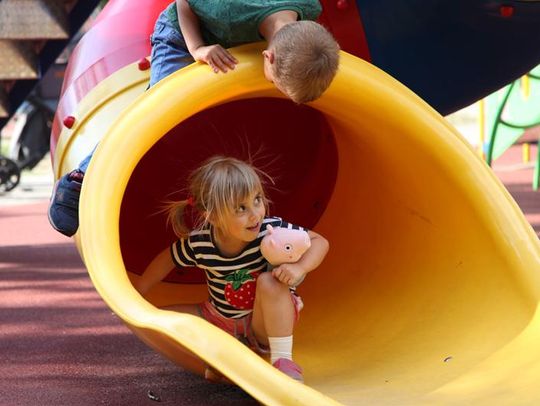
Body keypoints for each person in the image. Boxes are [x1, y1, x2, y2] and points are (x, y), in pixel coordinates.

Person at [48, 0, 340, 237]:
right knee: (155, 109)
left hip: (236, 39)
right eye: (278, 84)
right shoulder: (228, 9)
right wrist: (197, 48)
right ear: (269, 58)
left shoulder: (308, 8)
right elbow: (183, 4)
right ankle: (80, 178)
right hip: (183, 35)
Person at [133, 156, 329, 382]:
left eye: (257, 200)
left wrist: (299, 268)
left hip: (264, 321)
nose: (255, 213)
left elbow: (319, 241)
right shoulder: (201, 244)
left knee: (269, 281)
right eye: (241, 208)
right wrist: (138, 294)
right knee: (156, 318)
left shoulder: (271, 230)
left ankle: (282, 359)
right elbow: (167, 258)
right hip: (220, 318)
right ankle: (223, 359)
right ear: (213, 216)